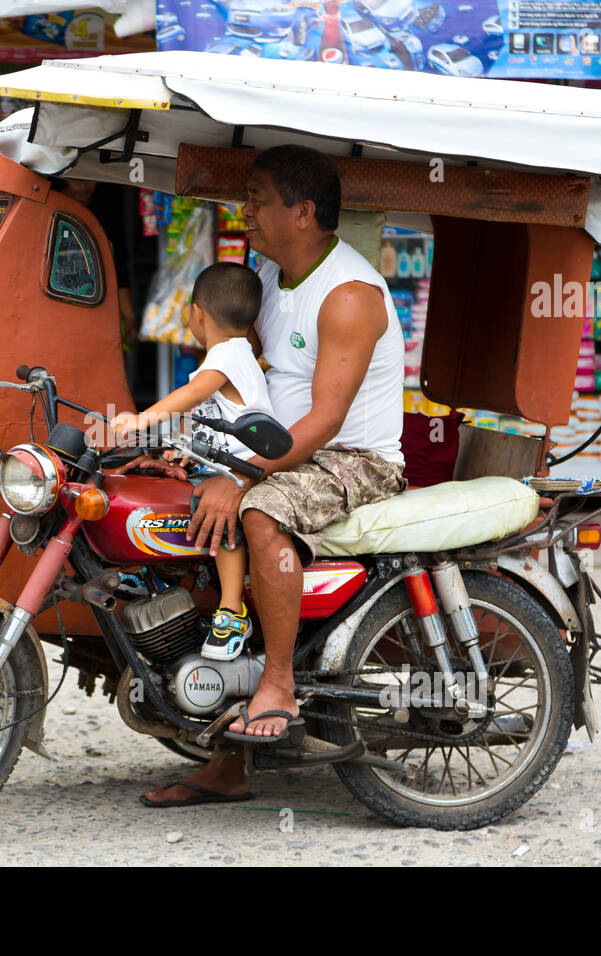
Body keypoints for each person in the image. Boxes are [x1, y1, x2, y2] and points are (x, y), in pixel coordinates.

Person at [139, 144, 406, 807]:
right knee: (189, 517)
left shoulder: (348, 295)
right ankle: (228, 755)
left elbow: (323, 421)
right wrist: (201, 447)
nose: (246, 210)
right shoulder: (268, 275)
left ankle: (279, 682)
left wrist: (243, 477)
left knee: (255, 513)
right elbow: (245, 379)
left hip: (354, 460)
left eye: (258, 198)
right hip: (285, 451)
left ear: (304, 211)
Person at [112, 262, 273, 660]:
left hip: (238, 475)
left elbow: (198, 392)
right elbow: (210, 419)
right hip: (215, 464)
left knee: (224, 523)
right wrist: (181, 449)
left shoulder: (230, 354)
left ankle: (233, 609)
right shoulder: (233, 354)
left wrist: (142, 418)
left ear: (196, 312)